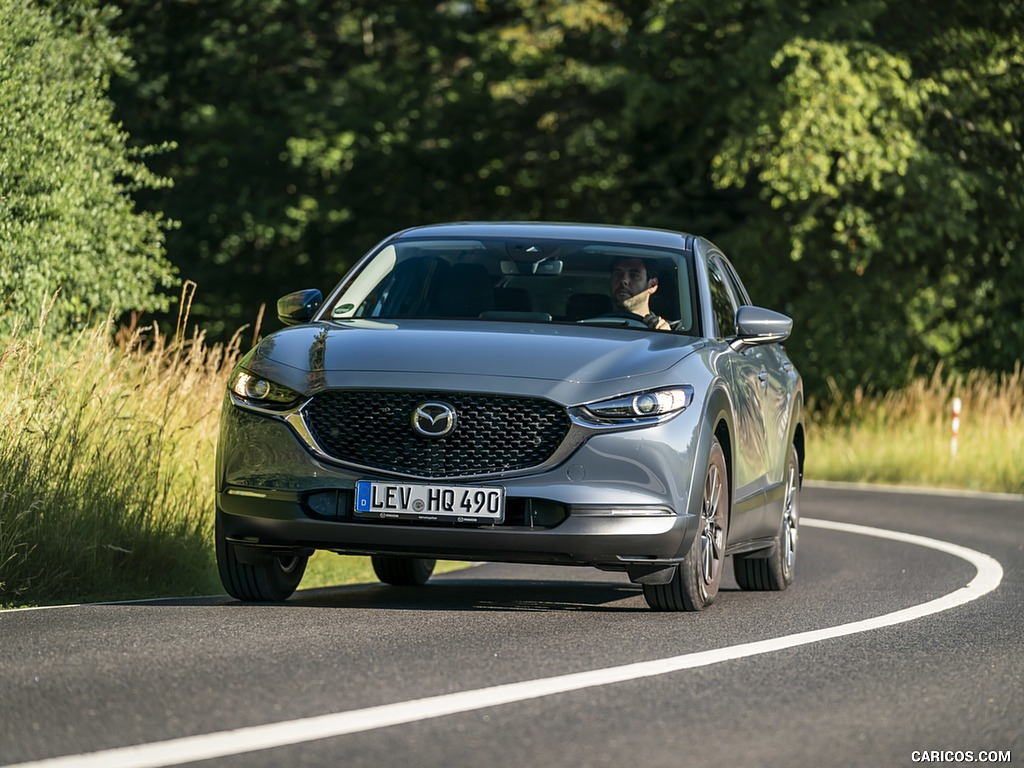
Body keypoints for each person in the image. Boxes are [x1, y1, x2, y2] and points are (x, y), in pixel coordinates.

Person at [610, 257, 672, 330]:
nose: (623, 280)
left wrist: (665, 336)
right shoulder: (593, 326)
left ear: (652, 285)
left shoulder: (672, 331)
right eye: (618, 274)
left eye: (633, 275)